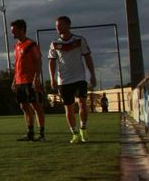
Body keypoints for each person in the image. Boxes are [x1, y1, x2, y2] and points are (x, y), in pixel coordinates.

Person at [48, 15, 97, 144]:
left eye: (60, 25)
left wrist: (92, 74)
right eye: (56, 26)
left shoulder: (79, 40)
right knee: (68, 107)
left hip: (80, 77)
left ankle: (83, 128)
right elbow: (51, 62)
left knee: (82, 103)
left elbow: (87, 57)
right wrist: (52, 78)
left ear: (68, 25)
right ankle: (74, 133)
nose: (57, 28)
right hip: (64, 80)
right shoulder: (55, 43)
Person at [10, 19, 46, 141]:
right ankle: (30, 132)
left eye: (14, 30)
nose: (12, 33)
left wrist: (36, 78)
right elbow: (17, 64)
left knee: (36, 106)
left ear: (21, 30)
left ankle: (41, 134)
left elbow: (38, 61)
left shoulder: (31, 44)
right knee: (23, 106)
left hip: (29, 80)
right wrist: (14, 80)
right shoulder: (16, 46)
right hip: (19, 80)